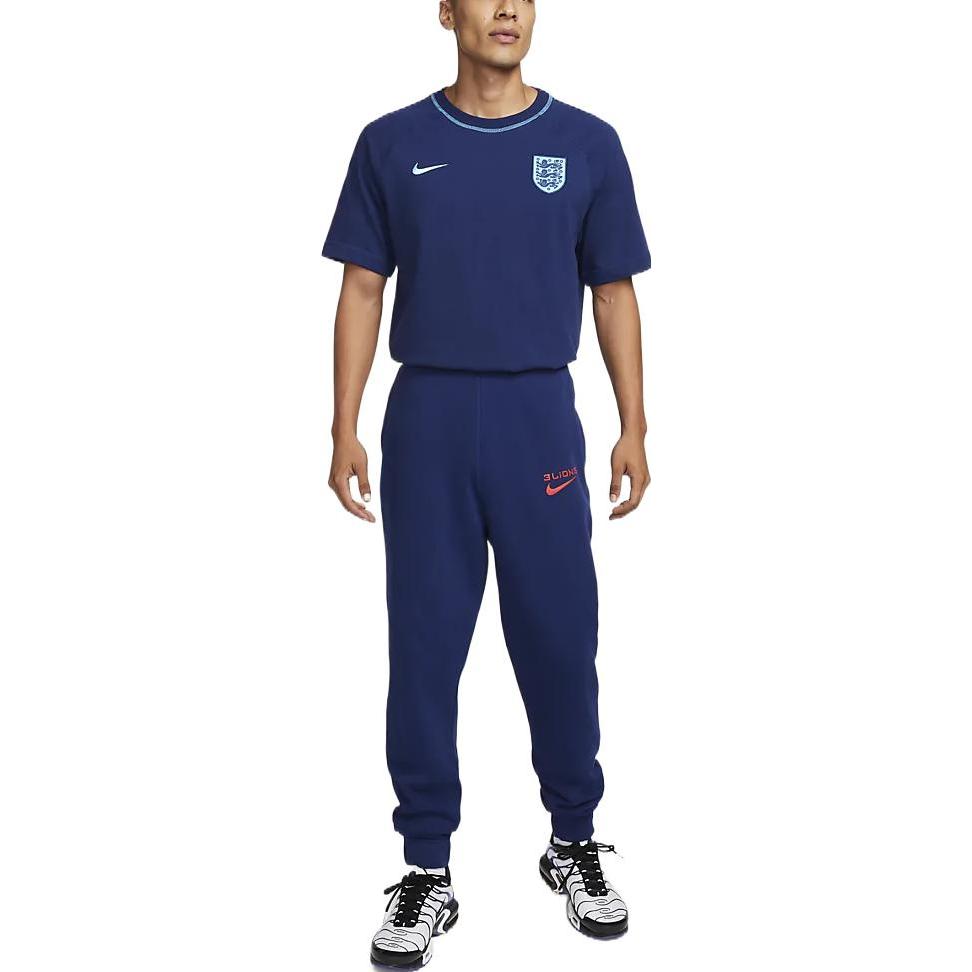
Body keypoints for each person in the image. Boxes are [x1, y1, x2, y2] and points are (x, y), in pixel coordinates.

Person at [322, 2, 651, 966]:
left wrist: (634, 425)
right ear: (446, 10)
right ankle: (426, 865)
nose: (507, 8)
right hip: (426, 416)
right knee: (425, 646)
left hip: (537, 415)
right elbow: (362, 286)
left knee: (559, 636)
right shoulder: (392, 142)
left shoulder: (587, 144)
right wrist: (343, 424)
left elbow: (614, 291)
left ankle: (574, 839)